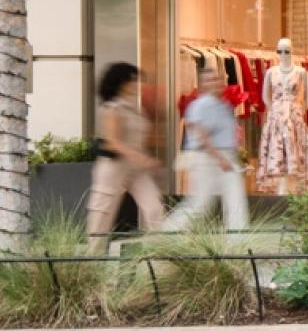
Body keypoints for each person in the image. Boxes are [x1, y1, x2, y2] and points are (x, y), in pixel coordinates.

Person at [87, 62, 166, 247]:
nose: (138, 83)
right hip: (114, 167)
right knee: (102, 215)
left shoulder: (134, 109)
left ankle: (159, 254)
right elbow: (113, 142)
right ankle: (93, 260)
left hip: (136, 169)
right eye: (133, 80)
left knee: (154, 208)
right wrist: (142, 158)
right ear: (122, 82)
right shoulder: (112, 108)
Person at [167, 64, 248, 232]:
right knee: (199, 204)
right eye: (210, 80)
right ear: (203, 84)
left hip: (226, 157)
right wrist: (220, 158)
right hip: (207, 158)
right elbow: (201, 136)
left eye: (217, 79)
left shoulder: (223, 105)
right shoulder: (201, 106)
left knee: (235, 200)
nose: (215, 83)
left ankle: (238, 240)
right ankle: (167, 232)